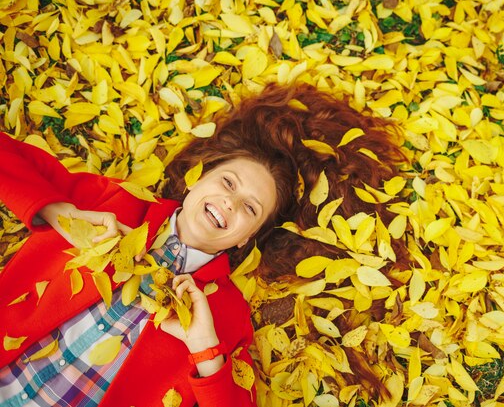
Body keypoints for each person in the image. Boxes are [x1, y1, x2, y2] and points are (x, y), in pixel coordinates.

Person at [0, 83, 407, 406]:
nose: (229, 201)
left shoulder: (226, 317)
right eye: (227, 183)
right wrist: (61, 215)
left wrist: (204, 350)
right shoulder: (117, 204)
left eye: (249, 207)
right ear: (197, 177)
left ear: (247, 237)